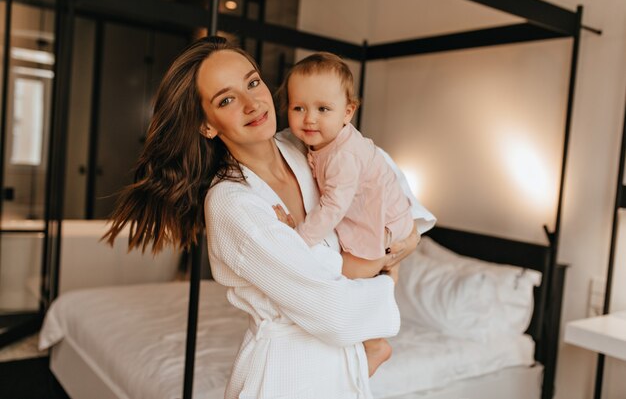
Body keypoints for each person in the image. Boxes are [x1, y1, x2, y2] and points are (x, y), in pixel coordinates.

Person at [104, 36, 434, 399]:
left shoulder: (304, 144)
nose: (252, 103)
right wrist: (388, 267)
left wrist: (412, 234)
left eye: (253, 82)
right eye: (227, 100)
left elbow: (383, 174)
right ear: (207, 125)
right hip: (286, 377)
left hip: (343, 371)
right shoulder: (232, 203)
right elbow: (335, 313)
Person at [273, 51, 417, 377]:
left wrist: (298, 240)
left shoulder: (344, 156)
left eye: (323, 109)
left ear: (347, 112)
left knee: (342, 275)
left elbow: (333, 207)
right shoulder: (319, 143)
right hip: (378, 219)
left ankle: (376, 342)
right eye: (299, 108)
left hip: (385, 229)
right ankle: (382, 282)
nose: (309, 118)